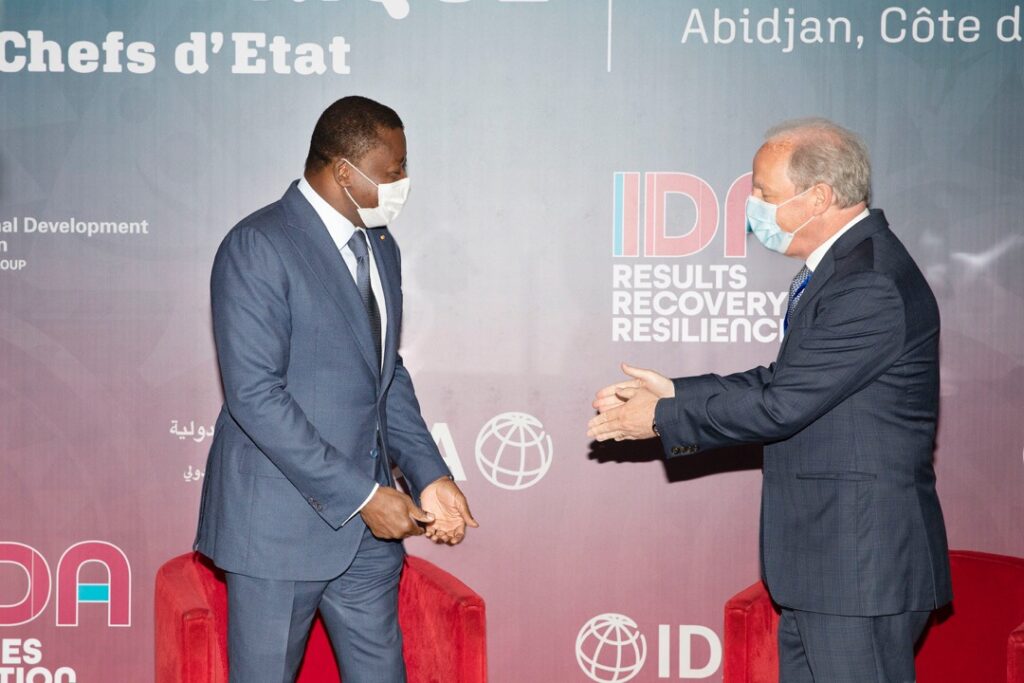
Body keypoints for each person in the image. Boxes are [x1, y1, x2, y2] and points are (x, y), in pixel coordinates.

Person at [588, 118, 951, 683]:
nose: (751, 205)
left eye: (763, 192)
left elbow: (783, 404)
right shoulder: (842, 268)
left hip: (858, 567)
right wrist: (676, 391)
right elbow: (788, 379)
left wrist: (661, 418)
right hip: (827, 566)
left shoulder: (869, 282)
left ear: (819, 197)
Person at [194, 95, 477, 683]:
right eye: (392, 170)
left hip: (367, 541)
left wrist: (430, 474)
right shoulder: (259, 244)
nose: (402, 181)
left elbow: (385, 373)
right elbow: (255, 395)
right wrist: (364, 497)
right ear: (345, 172)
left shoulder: (380, 245)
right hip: (278, 529)